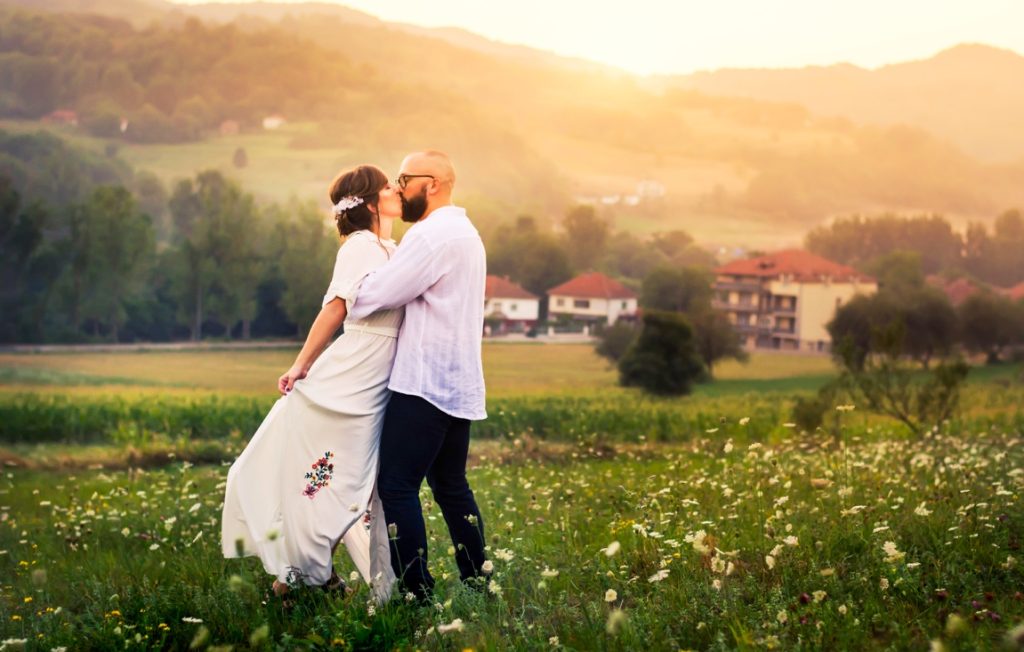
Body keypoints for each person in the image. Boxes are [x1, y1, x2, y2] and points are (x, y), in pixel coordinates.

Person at [221, 165, 401, 604]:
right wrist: (301, 364)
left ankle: (298, 577)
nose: (397, 189)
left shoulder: (389, 247)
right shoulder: (360, 247)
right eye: (388, 186)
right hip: (353, 376)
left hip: (378, 377)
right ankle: (302, 573)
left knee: (353, 480)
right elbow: (336, 306)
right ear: (373, 202)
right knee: (338, 479)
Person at [346, 150, 488, 600]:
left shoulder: (431, 236)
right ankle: (478, 582)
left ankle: (416, 592)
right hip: (459, 381)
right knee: (450, 486)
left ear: (432, 184)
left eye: (405, 178)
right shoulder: (466, 232)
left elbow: (378, 295)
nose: (399, 186)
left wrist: (352, 283)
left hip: (424, 381)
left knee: (397, 485)